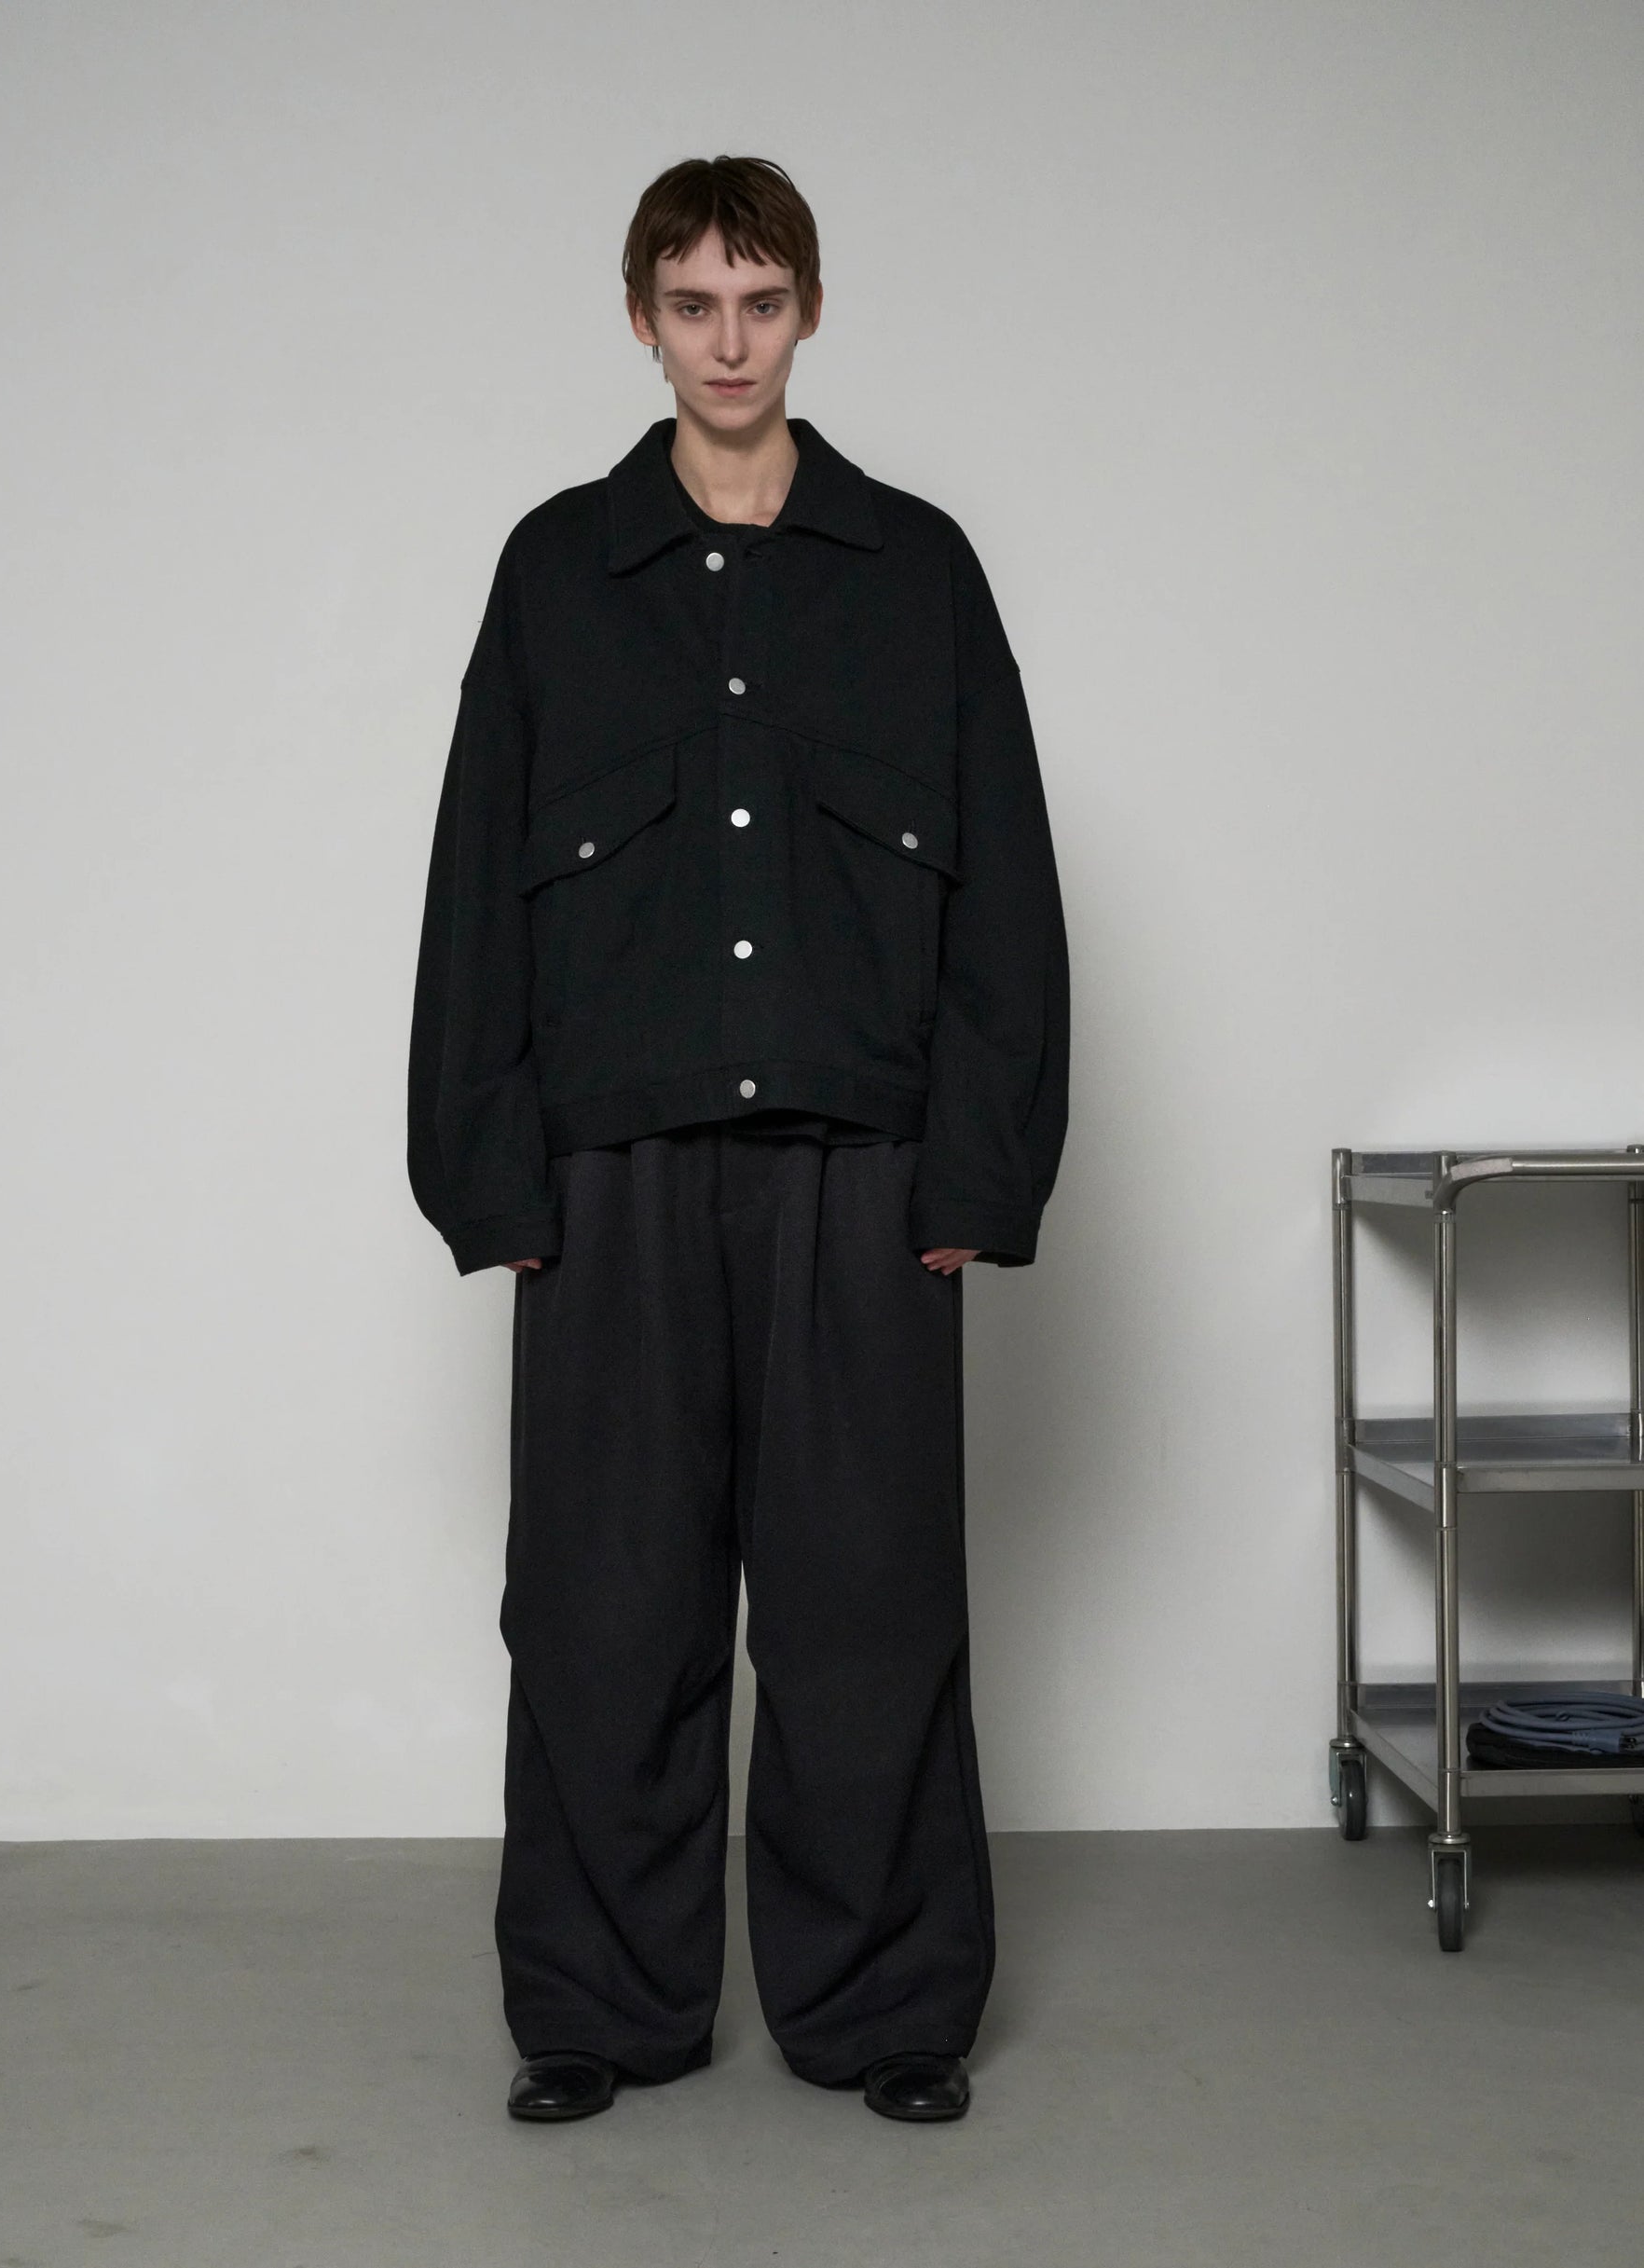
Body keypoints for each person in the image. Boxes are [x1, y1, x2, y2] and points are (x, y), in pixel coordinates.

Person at [407, 155, 1069, 2124]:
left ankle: (885, 2009)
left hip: (862, 1173)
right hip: (606, 1178)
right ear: (641, 318)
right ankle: (597, 2007)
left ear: (807, 311)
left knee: (871, 1607)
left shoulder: (917, 570)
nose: (726, 342)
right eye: (690, 305)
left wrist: (978, 1172)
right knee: (600, 1605)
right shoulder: (554, 570)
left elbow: (1008, 891)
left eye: (758, 303)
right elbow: (472, 885)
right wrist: (488, 1172)